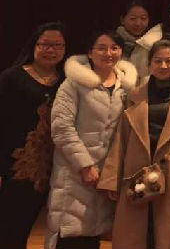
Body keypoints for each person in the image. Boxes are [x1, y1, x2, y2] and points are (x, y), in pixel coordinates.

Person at [98, 39, 170, 248]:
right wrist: (112, 179)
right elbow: (121, 137)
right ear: (149, 64)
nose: (163, 66)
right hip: (137, 168)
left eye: (169, 61)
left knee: (167, 231)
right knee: (135, 231)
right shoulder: (135, 95)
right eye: (157, 61)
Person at [46, 31, 137, 249]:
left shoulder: (126, 87)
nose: (109, 53)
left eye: (114, 48)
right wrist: (85, 165)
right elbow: (61, 128)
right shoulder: (73, 84)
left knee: (93, 234)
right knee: (69, 232)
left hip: (105, 174)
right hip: (74, 170)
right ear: (90, 52)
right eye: (101, 48)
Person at [0, 22, 67, 249]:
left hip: (48, 168)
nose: (51, 50)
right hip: (13, 166)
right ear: (34, 45)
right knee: (8, 229)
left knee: (26, 225)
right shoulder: (12, 77)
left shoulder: (65, 82)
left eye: (57, 45)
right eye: (45, 44)